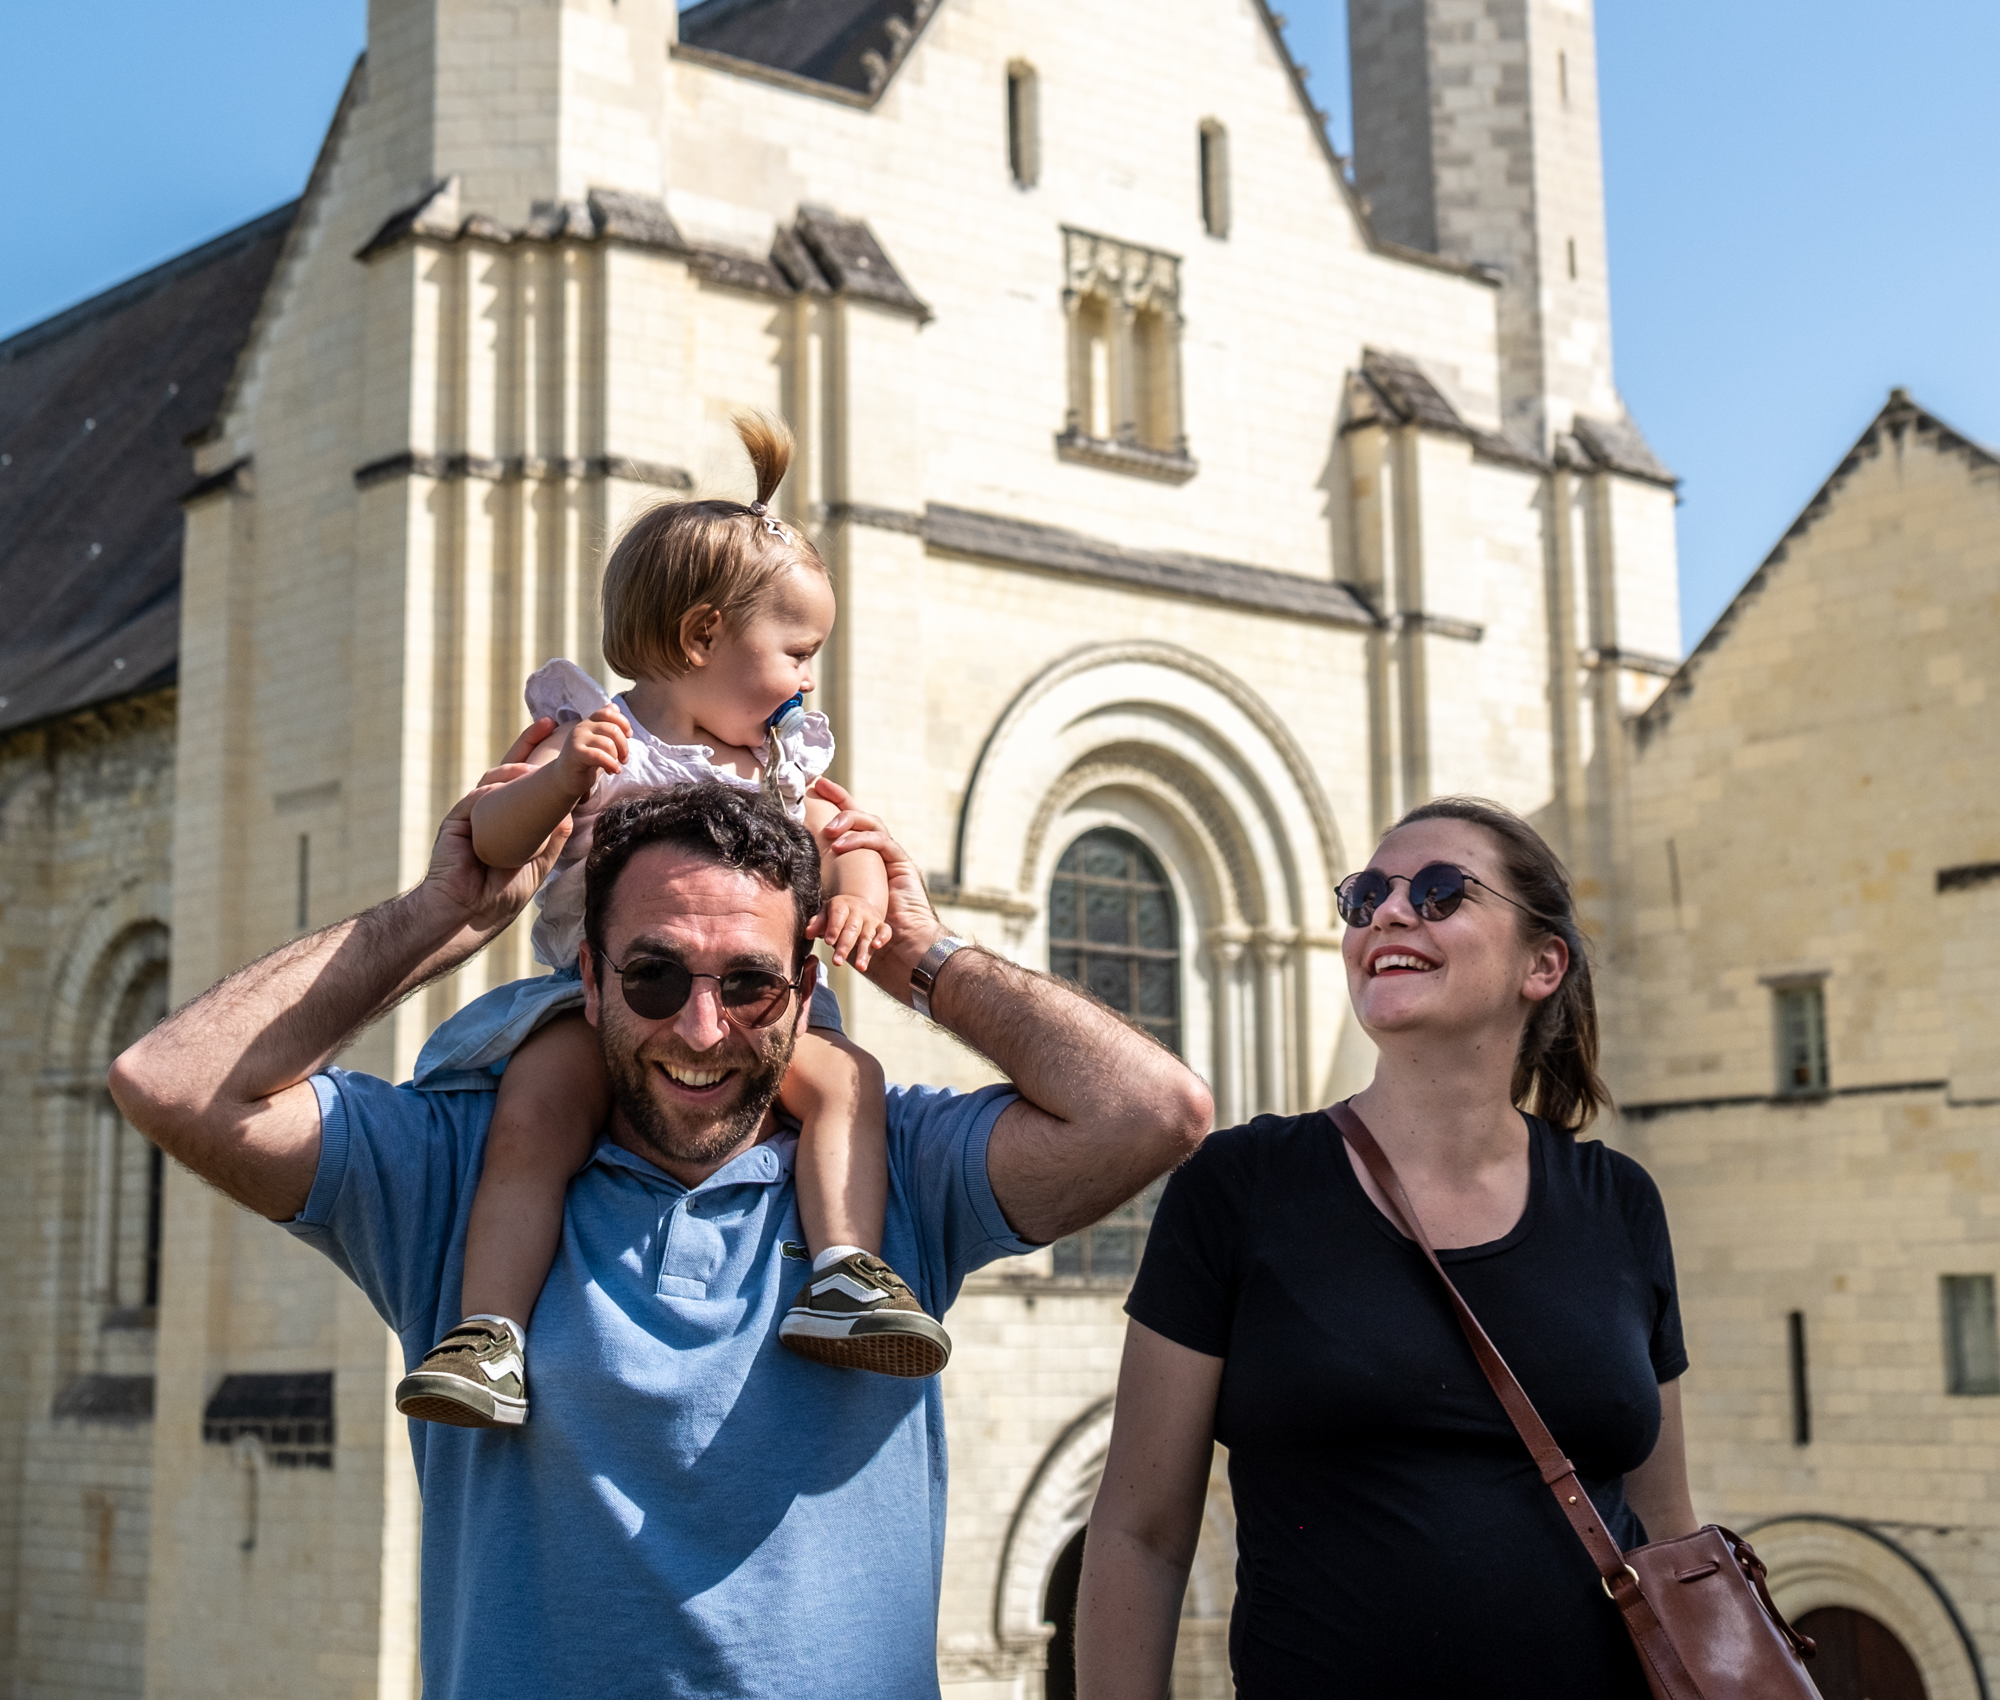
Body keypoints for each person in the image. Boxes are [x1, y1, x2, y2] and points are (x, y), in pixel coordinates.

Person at [111, 752, 1210, 1700]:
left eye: (750, 984)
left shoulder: (895, 1172)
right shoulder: (460, 1174)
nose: (702, 1027)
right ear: (587, 979)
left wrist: (918, 956)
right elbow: (171, 1081)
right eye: (653, 976)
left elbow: (1154, 1111)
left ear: (805, 986)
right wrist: (441, 915)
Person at [397, 410, 946, 1429]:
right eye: (797, 652)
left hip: (747, 1008)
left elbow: (852, 838)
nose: (808, 680)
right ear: (702, 637)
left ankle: (844, 1270)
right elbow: (492, 839)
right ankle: (488, 1335)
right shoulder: (594, 736)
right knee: (534, 1110)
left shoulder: (776, 765)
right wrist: (560, 779)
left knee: (847, 1080)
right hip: (595, 1002)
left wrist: (859, 897)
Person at [1077, 797, 1696, 1699]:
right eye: (1366, 896)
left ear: (1543, 964)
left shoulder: (1621, 1203)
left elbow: (1665, 1523)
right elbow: (1140, 1532)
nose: (1390, 913)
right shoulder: (1240, 1185)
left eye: (1441, 892)